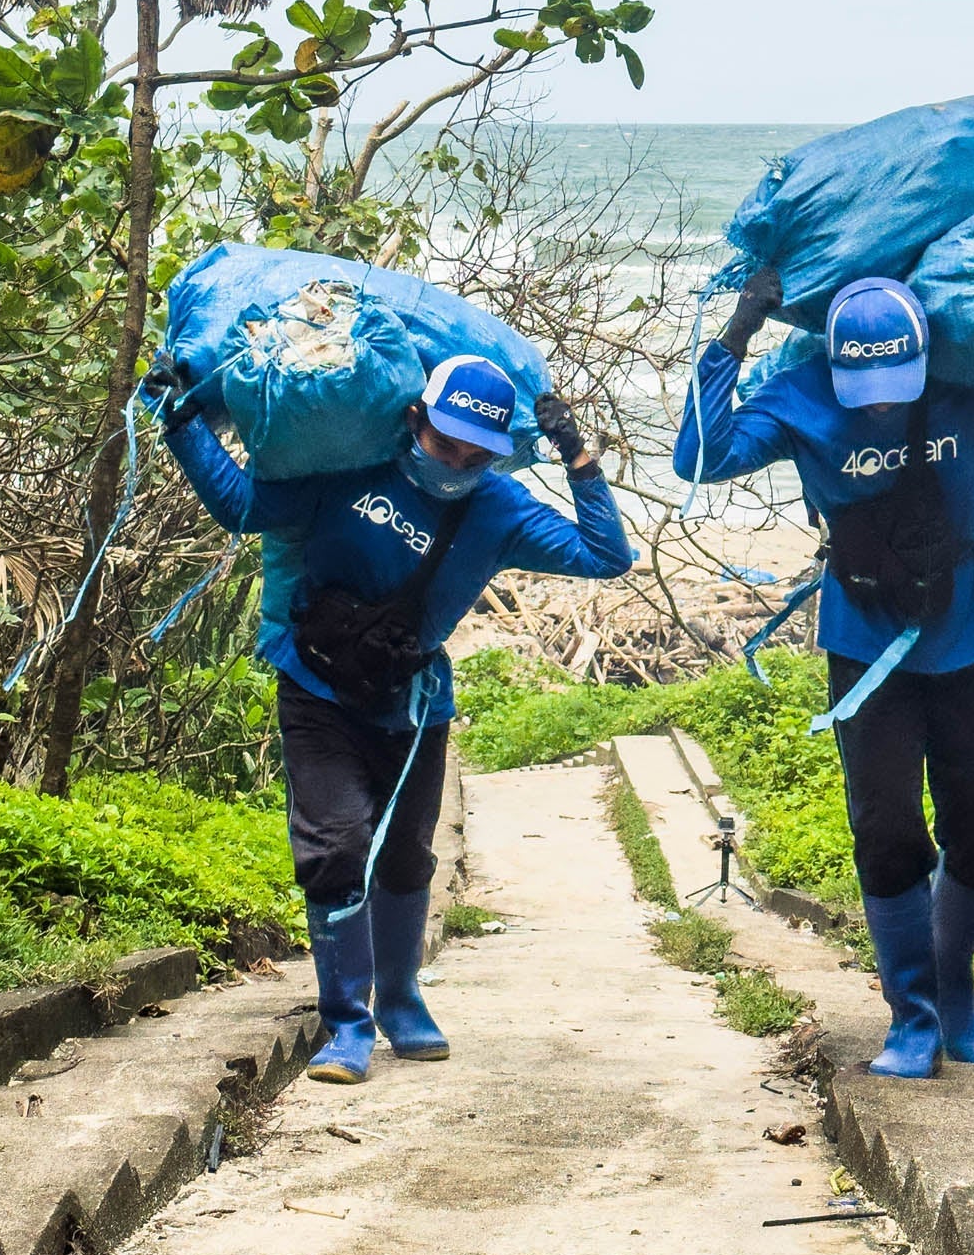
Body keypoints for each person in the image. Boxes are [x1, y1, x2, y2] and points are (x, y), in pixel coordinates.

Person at [673, 268, 974, 1080]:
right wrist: (737, 329)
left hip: (972, 630)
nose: (878, 406)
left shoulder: (972, 387)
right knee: (887, 830)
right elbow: (701, 453)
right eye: (861, 391)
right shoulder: (802, 397)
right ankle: (913, 1016)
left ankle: (956, 993)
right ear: (833, 366)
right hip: (866, 642)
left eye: (895, 387)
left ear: (928, 358)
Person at [145, 350, 633, 1084]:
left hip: (413, 703)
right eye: (445, 443)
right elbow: (241, 505)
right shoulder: (346, 471)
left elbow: (606, 554)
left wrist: (578, 457)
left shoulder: (499, 510)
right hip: (315, 686)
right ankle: (347, 1023)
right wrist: (179, 417)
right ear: (414, 420)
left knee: (406, 855)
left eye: (476, 455)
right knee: (335, 845)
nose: (457, 463)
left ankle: (402, 1001)